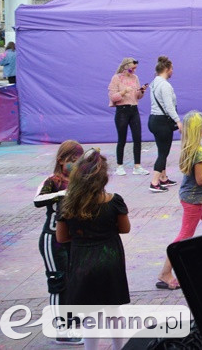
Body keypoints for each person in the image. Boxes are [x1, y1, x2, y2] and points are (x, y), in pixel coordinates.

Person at [56, 149, 130, 350]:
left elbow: (61, 237)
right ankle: (119, 347)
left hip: (82, 260)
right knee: (113, 310)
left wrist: (81, 234)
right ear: (103, 178)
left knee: (91, 314)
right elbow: (125, 228)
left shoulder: (67, 203)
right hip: (110, 258)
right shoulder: (114, 200)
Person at [156, 112, 202, 289]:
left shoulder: (190, 147)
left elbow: (200, 177)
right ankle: (165, 273)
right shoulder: (198, 152)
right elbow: (201, 179)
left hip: (197, 197)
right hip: (194, 200)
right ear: (200, 130)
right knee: (184, 236)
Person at [34, 139, 84, 342]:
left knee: (74, 280)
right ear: (61, 160)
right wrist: (62, 193)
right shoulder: (53, 180)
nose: (75, 164)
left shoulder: (81, 179)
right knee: (58, 281)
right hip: (52, 239)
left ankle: (72, 320)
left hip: (73, 238)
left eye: (79, 160)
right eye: (71, 160)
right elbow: (38, 200)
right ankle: (61, 329)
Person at [108, 57, 147, 177]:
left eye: (135, 69)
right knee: (122, 139)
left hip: (133, 109)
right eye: (132, 69)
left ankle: (137, 166)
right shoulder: (117, 78)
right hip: (122, 110)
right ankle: (119, 165)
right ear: (125, 67)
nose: (134, 71)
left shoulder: (135, 78)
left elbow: (137, 96)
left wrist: (141, 91)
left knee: (137, 138)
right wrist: (123, 92)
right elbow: (112, 97)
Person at [148, 56, 181, 193]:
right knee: (163, 153)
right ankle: (154, 182)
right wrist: (178, 121)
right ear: (167, 69)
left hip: (154, 120)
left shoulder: (154, 83)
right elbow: (169, 106)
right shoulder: (165, 85)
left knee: (161, 149)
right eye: (172, 68)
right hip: (162, 122)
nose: (173, 71)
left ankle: (163, 177)